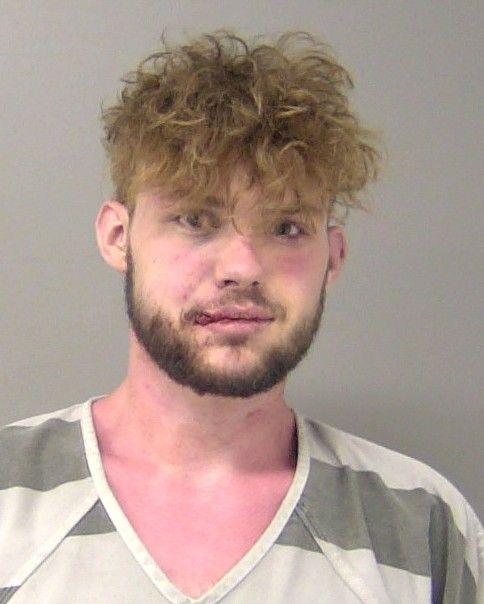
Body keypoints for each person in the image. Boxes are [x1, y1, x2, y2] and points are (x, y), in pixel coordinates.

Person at [0, 30, 481, 604]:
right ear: (118, 237)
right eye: (195, 219)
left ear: (333, 257)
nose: (243, 267)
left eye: (287, 228)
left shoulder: (422, 525)